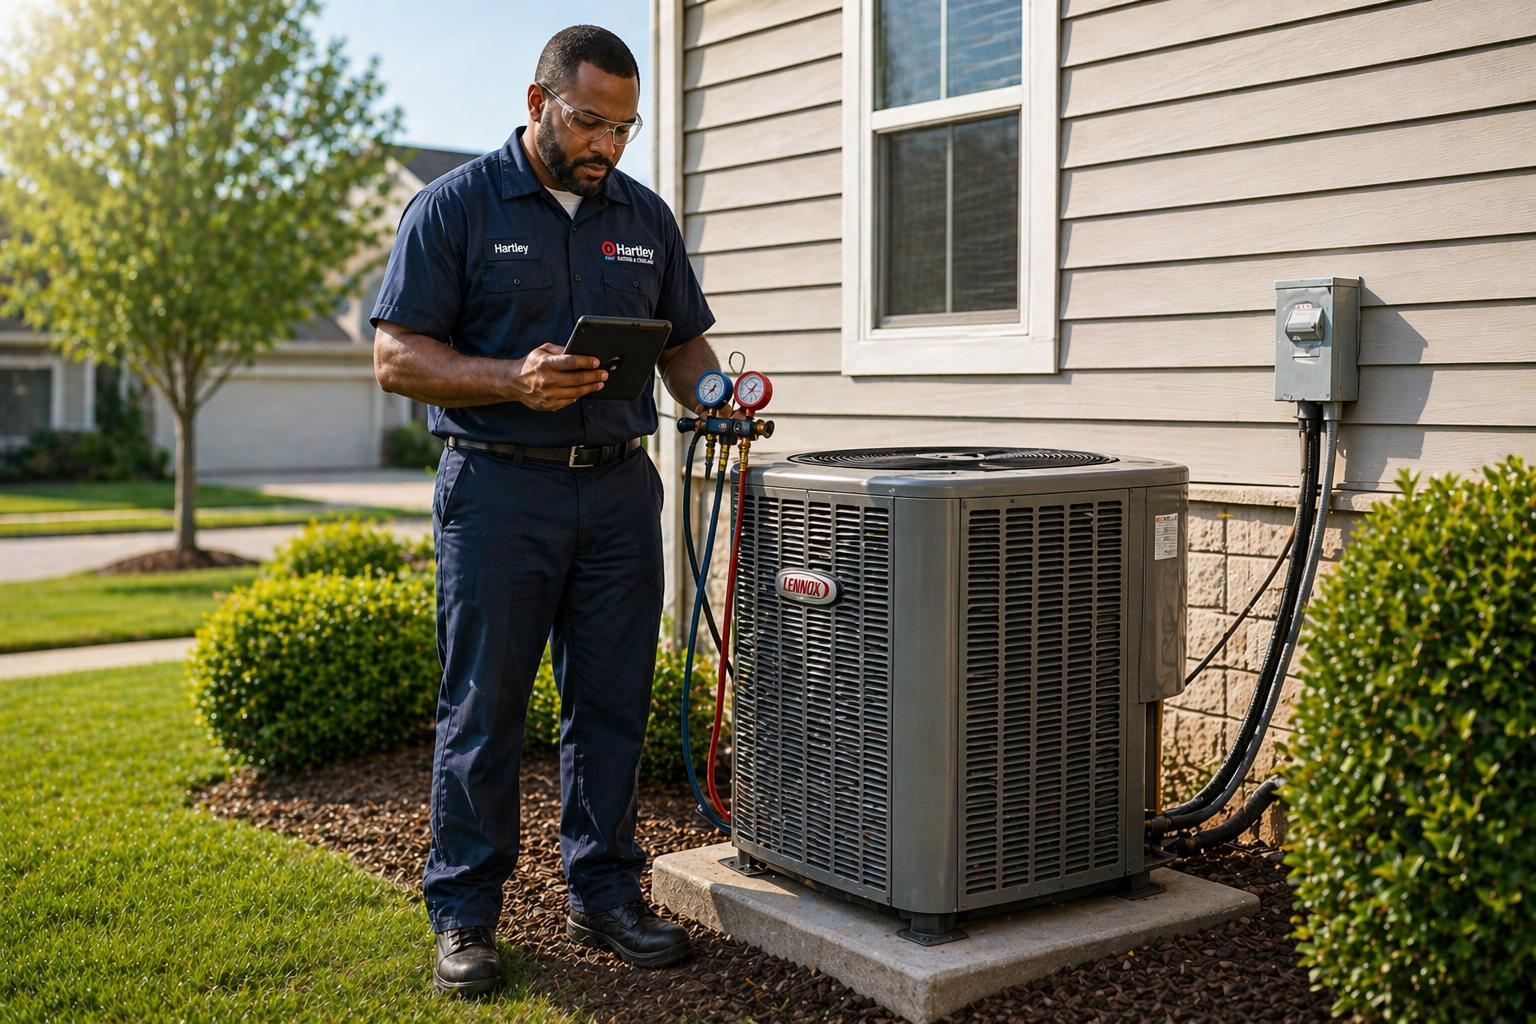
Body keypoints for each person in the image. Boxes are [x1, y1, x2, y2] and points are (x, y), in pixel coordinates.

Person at [371, 25, 725, 996]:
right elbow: (398, 355)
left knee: (610, 705)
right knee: (483, 710)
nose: (606, 144)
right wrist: (507, 379)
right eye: (589, 120)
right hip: (497, 491)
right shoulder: (455, 207)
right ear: (537, 103)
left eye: (625, 126)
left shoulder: (643, 217)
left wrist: (717, 399)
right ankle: (466, 917)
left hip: (618, 493)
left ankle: (604, 892)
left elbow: (684, 347)